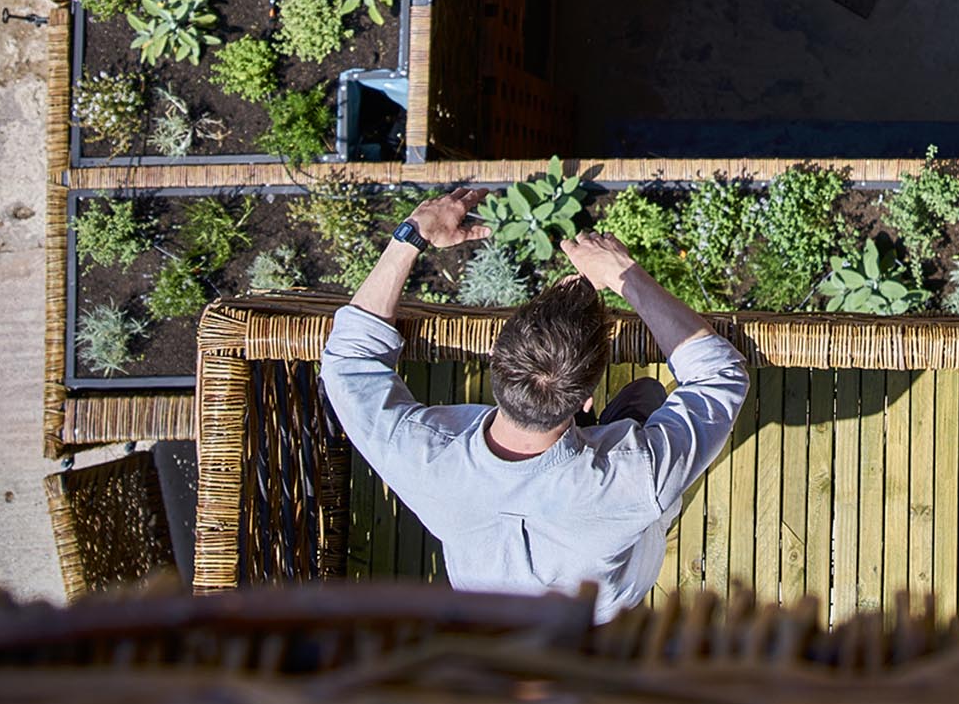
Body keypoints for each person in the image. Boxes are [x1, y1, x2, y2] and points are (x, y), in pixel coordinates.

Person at [319, 186, 750, 619]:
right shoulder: (636, 476)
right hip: (608, 603)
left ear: (496, 359)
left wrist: (410, 236)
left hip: (499, 608)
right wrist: (623, 272)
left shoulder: (424, 457)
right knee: (647, 395)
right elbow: (721, 376)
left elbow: (350, 363)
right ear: (583, 400)